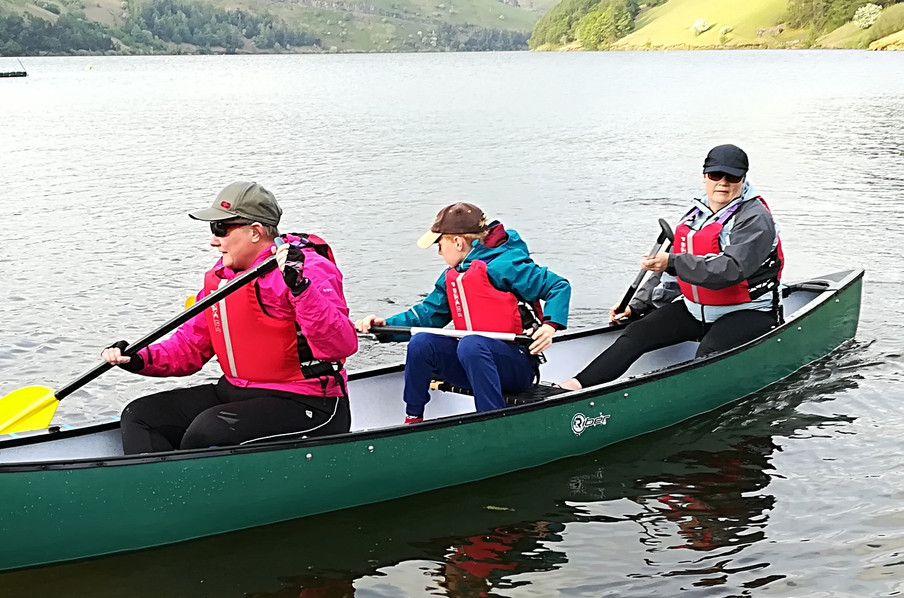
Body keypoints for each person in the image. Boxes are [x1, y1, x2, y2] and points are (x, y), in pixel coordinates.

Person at [101, 181, 357, 454]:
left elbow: (341, 346)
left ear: (255, 231)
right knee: (140, 415)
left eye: (220, 229)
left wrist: (301, 288)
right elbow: (190, 345)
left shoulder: (308, 269)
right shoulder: (223, 278)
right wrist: (139, 357)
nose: (213, 240)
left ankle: (184, 491)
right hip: (236, 391)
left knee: (209, 430)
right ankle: (154, 490)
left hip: (308, 403)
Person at [556, 144, 784, 392]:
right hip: (695, 310)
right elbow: (668, 274)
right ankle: (572, 387)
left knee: (709, 354)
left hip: (748, 311)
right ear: (705, 177)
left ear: (743, 179)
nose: (723, 183)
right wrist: (637, 305)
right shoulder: (696, 215)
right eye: (716, 176)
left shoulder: (755, 218)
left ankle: (690, 399)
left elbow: (731, 269)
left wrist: (673, 262)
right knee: (637, 333)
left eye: (732, 177)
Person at [355, 203, 570, 422]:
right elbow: (426, 315)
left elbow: (558, 287)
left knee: (471, 344)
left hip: (516, 368)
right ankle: (413, 419)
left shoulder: (505, 265)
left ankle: (491, 422)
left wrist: (549, 326)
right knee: (421, 343)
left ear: (457, 243)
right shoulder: (454, 275)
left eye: (440, 245)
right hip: (475, 362)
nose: (439, 252)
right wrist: (383, 327)